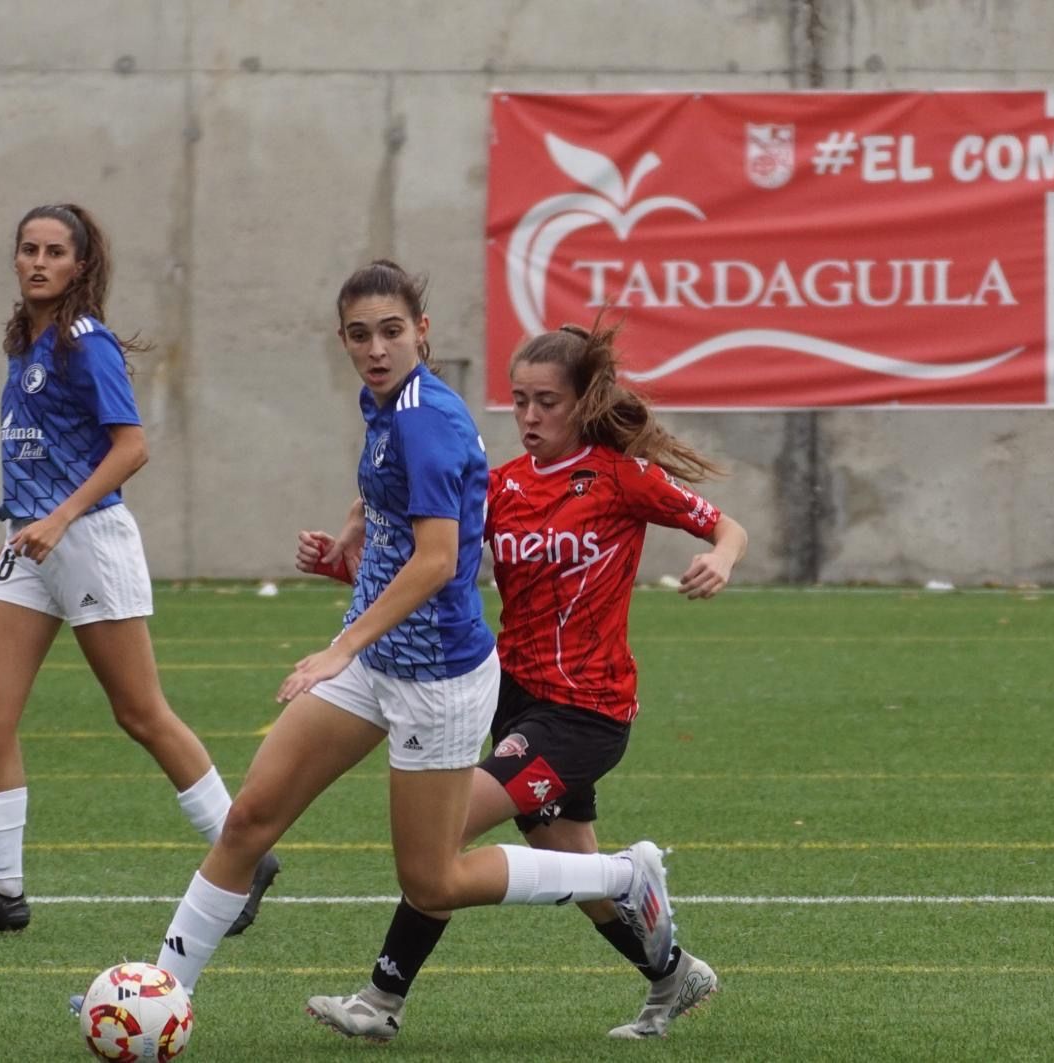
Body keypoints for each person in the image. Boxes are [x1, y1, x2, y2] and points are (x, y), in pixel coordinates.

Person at [122, 261, 677, 1033]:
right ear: (343, 341)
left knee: (435, 877)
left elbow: (438, 559)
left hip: (438, 680)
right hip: (374, 664)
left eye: (391, 331)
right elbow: (398, 506)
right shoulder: (387, 405)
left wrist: (339, 647)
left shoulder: (429, 419)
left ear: (423, 331)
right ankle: (157, 995)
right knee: (249, 819)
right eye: (359, 335)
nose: (376, 348)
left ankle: (622, 874)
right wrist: (349, 544)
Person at [297, 318, 748, 1040]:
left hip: (587, 713)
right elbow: (431, 564)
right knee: (575, 870)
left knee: (444, 836)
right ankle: (673, 972)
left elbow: (726, 526)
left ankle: (381, 1001)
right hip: (517, 702)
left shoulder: (619, 476)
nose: (531, 416)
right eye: (520, 401)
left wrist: (721, 558)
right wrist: (342, 559)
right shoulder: (500, 486)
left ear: (583, 402)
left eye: (548, 401)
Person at [0, 204, 278, 935]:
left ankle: (243, 852)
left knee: (140, 712)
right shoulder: (27, 340)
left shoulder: (87, 342)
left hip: (86, 537)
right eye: (29, 249)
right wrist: (32, 521)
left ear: (80, 265)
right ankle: (5, 890)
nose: (39, 261)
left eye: (55, 251)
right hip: (29, 545)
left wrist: (59, 515)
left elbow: (132, 447)